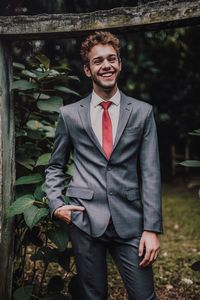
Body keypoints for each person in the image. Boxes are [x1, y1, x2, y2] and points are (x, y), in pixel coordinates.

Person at [45, 31, 163, 300]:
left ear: (120, 63)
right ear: (88, 70)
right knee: (92, 296)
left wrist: (152, 229)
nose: (106, 65)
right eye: (98, 61)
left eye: (112, 59)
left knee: (145, 296)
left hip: (131, 222)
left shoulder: (142, 112)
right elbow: (54, 166)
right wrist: (56, 204)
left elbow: (151, 173)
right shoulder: (70, 114)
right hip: (84, 219)